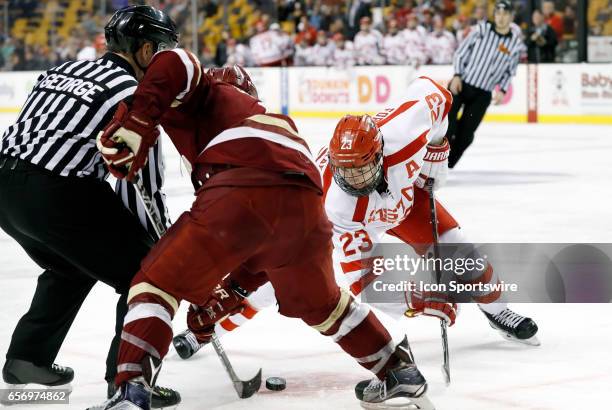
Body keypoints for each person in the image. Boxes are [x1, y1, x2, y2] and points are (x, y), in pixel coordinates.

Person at [93, 47, 435, 410]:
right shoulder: (261, 115)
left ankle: (131, 390)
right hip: (304, 200)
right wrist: (229, 292)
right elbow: (263, 236)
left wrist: (139, 119)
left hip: (240, 186)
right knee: (324, 305)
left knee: (156, 283)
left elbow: (175, 60)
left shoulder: (205, 92)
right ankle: (398, 372)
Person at [173, 77, 540, 358]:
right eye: (345, 171)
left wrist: (437, 152)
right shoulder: (334, 203)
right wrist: (417, 300)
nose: (354, 180)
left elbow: (438, 96)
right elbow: (365, 281)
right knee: (276, 282)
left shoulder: (402, 129)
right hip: (349, 224)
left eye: (362, 170)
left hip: (407, 199)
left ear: (380, 154)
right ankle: (207, 331)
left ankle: (499, 310)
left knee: (462, 252)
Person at [0, 6, 180, 407]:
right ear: (147, 50)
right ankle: (128, 385)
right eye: (164, 51)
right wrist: (160, 248)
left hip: (5, 187)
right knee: (147, 276)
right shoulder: (134, 93)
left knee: (70, 263)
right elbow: (141, 184)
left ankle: (28, 358)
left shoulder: (61, 69)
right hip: (55, 193)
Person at [446, 0, 522, 168]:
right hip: (462, 84)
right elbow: (460, 52)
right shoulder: (482, 29)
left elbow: (510, 71)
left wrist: (502, 89)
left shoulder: (515, 43)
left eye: (505, 14)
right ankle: (432, 163)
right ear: (494, 15)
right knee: (447, 127)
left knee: (465, 135)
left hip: (483, 94)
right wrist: (457, 75)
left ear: (511, 17)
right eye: (498, 14)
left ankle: (447, 165)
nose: (501, 18)